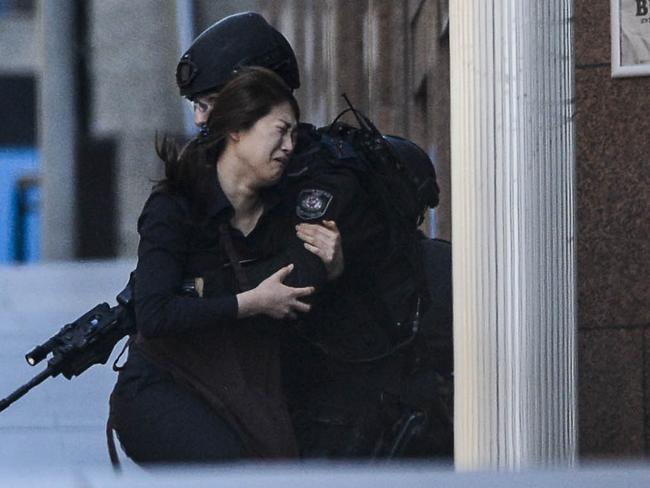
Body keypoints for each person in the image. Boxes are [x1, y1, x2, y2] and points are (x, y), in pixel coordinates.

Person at [175, 12, 453, 459]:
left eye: (209, 103)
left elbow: (290, 282)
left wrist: (191, 291)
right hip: (315, 394)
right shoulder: (250, 181)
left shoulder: (321, 180)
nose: (200, 120)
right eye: (197, 105)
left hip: (368, 406)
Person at [108, 66, 344, 464]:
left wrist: (333, 267)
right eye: (280, 130)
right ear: (237, 129)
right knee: (231, 468)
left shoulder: (287, 210)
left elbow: (302, 285)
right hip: (166, 386)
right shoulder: (175, 208)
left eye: (294, 135)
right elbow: (154, 314)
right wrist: (251, 301)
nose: (289, 146)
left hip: (249, 393)